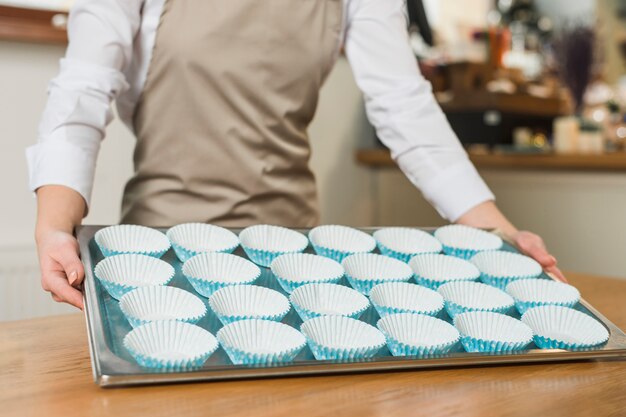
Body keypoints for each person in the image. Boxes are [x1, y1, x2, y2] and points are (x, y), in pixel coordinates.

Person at [27, 0, 565, 309]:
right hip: (162, 265)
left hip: (297, 262)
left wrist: (499, 233)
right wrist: (55, 226)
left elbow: (405, 108)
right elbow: (82, 90)